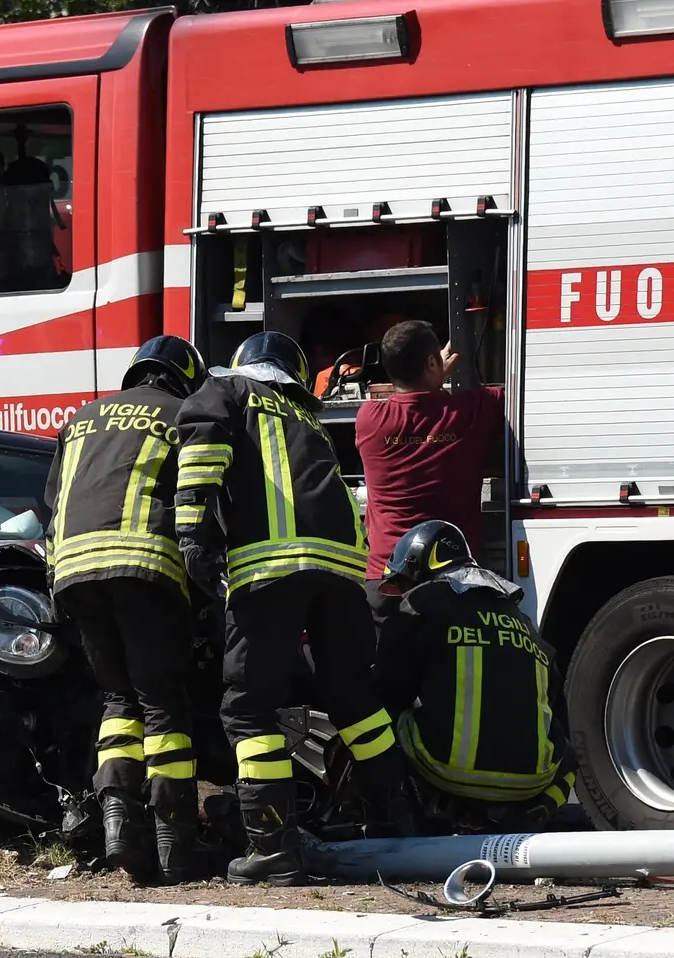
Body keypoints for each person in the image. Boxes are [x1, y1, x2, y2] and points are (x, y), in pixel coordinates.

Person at [174, 330, 412, 887]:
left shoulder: (227, 390)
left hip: (269, 568)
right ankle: (396, 821)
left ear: (243, 364)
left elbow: (203, 449)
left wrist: (193, 535)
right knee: (355, 701)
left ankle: (271, 844)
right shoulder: (306, 417)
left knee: (247, 709)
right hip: (342, 573)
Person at [43, 334, 210, 885]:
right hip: (143, 566)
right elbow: (202, 498)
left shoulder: (82, 418)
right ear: (184, 376)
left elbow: (52, 501)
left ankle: (118, 824)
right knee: (163, 701)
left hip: (72, 571)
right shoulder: (185, 413)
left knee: (118, 697)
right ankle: (174, 843)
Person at [374, 520, 577, 833]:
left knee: (374, 718)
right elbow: (557, 707)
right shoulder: (521, 620)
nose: (402, 592)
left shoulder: (419, 606)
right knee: (571, 750)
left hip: (445, 771)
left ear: (418, 567)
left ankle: (406, 810)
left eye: (402, 584)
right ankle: (539, 809)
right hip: (532, 781)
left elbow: (391, 689)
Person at [355, 319, 505, 631]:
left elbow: (406, 404)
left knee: (385, 674)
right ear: (431, 362)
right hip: (451, 580)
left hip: (386, 579)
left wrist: (431, 374)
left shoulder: (370, 419)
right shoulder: (473, 410)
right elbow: (514, 394)